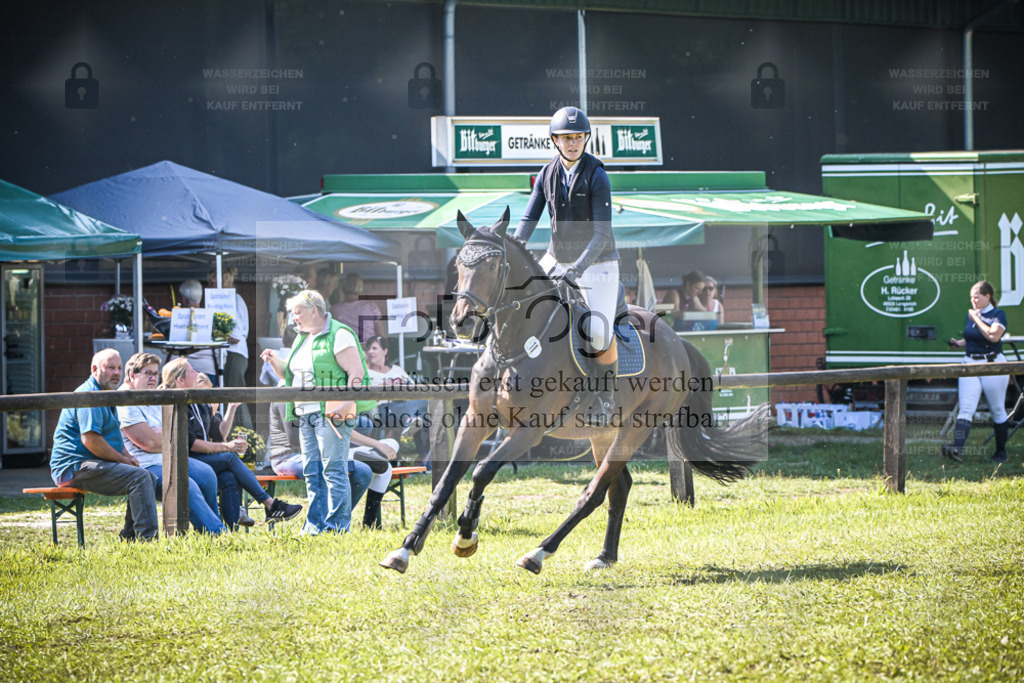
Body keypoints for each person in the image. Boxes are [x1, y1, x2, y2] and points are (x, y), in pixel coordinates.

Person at [514, 105, 619, 415]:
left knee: (598, 331)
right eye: (566, 138)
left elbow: (601, 235)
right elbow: (528, 219)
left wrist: (577, 269)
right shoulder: (546, 174)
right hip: (557, 257)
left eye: (578, 137)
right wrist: (513, 248)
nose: (572, 143)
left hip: (598, 263)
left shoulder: (597, 175)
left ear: (585, 139)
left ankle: (605, 396)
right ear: (555, 141)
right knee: (520, 301)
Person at [261, 289, 375, 534]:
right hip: (304, 413)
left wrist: (345, 404)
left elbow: (357, 374)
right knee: (313, 471)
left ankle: (337, 527)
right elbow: (290, 375)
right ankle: (315, 526)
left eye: (297, 313)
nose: (294, 319)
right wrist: (273, 361)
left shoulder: (339, 334)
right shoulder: (303, 338)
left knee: (333, 470)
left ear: (314, 310)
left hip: (331, 412)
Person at [162, 357, 303, 527]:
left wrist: (231, 409)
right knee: (229, 458)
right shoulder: (176, 405)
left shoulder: (199, 404)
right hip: (187, 461)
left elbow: (218, 433)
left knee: (229, 477)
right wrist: (227, 447)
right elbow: (191, 444)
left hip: (202, 459)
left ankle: (230, 530)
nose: (197, 373)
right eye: (192, 371)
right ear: (180, 380)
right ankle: (270, 504)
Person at [48, 349, 159, 541]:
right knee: (139, 478)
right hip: (72, 466)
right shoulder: (89, 395)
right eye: (110, 368)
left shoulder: (107, 394)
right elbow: (91, 440)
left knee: (149, 476)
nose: (116, 372)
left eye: (119, 368)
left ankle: (130, 539)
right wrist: (123, 459)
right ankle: (147, 541)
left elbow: (112, 436)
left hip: (91, 462)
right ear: (94, 369)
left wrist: (128, 457)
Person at [117, 353, 226, 535]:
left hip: (167, 458)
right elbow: (149, 443)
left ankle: (208, 532)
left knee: (207, 474)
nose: (153, 378)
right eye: (148, 373)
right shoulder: (125, 400)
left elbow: (178, 434)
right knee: (185, 484)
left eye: (155, 373)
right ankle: (217, 534)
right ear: (132, 375)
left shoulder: (153, 395)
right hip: (144, 466)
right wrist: (165, 434)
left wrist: (163, 433)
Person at [268, 400, 398, 528]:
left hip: (322, 453)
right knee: (322, 467)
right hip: (287, 458)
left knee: (363, 471)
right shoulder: (284, 398)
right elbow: (295, 439)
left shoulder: (316, 396)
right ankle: (319, 523)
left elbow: (344, 429)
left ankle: (335, 518)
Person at [942, 280, 1011, 463]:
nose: (973, 301)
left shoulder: (997, 314)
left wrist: (976, 318)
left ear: (987, 296)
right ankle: (956, 448)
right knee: (966, 408)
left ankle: (1001, 452)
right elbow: (972, 337)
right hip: (970, 362)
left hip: (992, 363)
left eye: (976, 297)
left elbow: (993, 336)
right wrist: (959, 343)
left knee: (997, 408)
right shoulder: (972, 315)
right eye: (971, 298)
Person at [362, 334, 429, 465]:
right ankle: (422, 457)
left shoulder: (397, 369)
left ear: (385, 351)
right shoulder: (365, 373)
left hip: (404, 404)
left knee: (423, 404)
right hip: (382, 408)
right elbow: (364, 395)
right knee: (419, 415)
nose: (370, 352)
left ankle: (412, 423)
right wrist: (387, 385)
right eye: (368, 349)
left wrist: (400, 385)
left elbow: (413, 390)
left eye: (374, 348)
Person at [208, 267, 251, 429]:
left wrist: (215, 334)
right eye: (210, 283)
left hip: (235, 353)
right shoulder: (222, 300)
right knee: (231, 395)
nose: (212, 286)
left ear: (225, 282)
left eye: (215, 282)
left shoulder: (235, 299)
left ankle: (245, 434)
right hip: (230, 354)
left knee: (235, 396)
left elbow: (237, 335)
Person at [178, 278, 217, 378]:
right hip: (207, 368)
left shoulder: (179, 317)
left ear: (184, 299)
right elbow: (220, 351)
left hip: (181, 369)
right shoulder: (210, 317)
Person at [330, 273, 385, 343]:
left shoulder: (334, 310)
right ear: (360, 286)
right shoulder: (371, 306)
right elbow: (381, 334)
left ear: (343, 286)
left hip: (347, 349)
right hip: (369, 349)